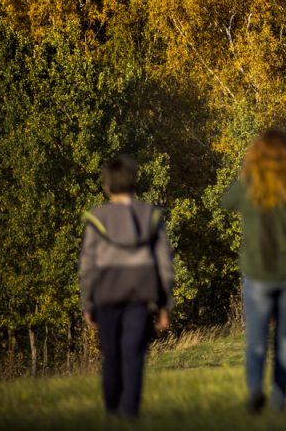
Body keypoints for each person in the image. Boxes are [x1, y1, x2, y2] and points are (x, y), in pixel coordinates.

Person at [220, 129, 286, 414]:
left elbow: (225, 202)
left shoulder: (249, 185)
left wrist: (247, 174)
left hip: (257, 275)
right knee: (283, 341)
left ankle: (256, 390)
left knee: (256, 339)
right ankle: (278, 402)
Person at [79, 154, 175, 420]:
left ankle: (112, 411)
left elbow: (88, 265)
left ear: (106, 186)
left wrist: (87, 302)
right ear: (134, 183)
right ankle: (129, 412)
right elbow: (164, 264)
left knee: (111, 355)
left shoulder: (97, 218)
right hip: (141, 296)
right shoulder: (151, 216)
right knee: (133, 354)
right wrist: (165, 304)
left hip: (107, 295)